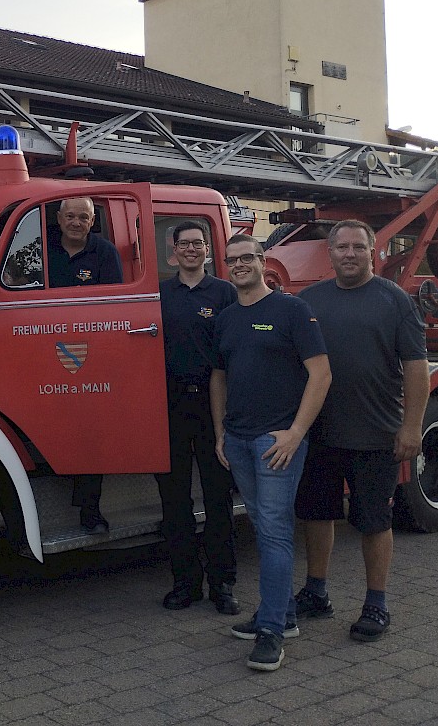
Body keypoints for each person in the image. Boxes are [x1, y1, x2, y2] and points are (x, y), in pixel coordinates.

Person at [294, 220, 428, 642]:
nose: (349, 254)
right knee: (317, 514)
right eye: (341, 247)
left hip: (375, 433)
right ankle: (316, 592)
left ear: (373, 252)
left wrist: (412, 427)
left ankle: (376, 603)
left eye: (358, 247)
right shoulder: (309, 300)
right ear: (330, 253)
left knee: (373, 521)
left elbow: (416, 368)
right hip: (319, 433)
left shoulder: (394, 300)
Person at [210, 234, 331, 672]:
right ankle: (284, 614)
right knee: (264, 527)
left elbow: (321, 374)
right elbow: (218, 377)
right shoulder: (226, 318)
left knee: (275, 532)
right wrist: (221, 432)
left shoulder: (291, 310)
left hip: (275, 442)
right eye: (232, 260)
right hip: (238, 441)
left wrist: (296, 433)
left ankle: (271, 632)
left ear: (263, 261)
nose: (239, 265)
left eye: (247, 258)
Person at [156, 221, 240, 613]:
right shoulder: (159, 294)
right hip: (170, 406)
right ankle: (185, 583)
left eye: (198, 243)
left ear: (207, 249)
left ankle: (222, 584)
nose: (191, 249)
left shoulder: (225, 292)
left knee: (218, 497)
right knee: (174, 500)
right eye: (184, 244)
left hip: (213, 406)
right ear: (173, 251)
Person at [48, 196, 123, 533]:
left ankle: (90, 510)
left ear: (92, 222)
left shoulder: (105, 253)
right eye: (70, 216)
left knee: (91, 429)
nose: (76, 223)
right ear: (59, 218)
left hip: (89, 350)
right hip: (42, 345)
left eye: (83, 217)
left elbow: (116, 305)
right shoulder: (41, 248)